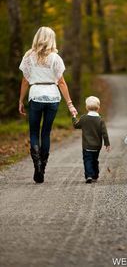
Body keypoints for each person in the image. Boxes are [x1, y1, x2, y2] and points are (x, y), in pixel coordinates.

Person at [19, 26, 77, 184]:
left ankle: (36, 165)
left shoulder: (28, 56)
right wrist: (70, 104)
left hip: (36, 95)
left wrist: (20, 100)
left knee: (33, 132)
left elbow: (25, 80)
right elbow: (62, 82)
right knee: (46, 132)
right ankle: (42, 167)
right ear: (51, 39)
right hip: (52, 97)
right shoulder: (55, 58)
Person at [72, 96, 111, 183]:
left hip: (86, 146)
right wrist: (107, 144)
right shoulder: (100, 120)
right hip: (97, 146)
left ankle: (89, 175)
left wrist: (74, 117)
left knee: (87, 160)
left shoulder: (83, 118)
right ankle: (95, 175)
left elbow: (76, 125)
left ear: (86, 107)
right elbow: (104, 133)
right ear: (98, 107)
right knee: (95, 160)